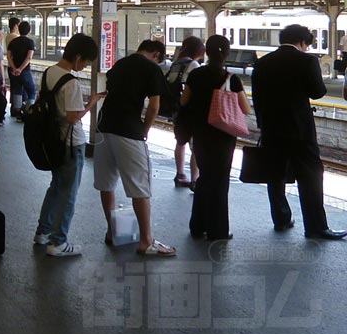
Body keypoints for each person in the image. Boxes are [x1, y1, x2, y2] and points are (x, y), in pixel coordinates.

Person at [251, 24, 345, 239]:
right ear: (303, 42)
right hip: (299, 130)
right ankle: (316, 227)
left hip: (271, 128)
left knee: (275, 175)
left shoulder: (263, 63)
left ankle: (282, 219)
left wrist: (262, 124)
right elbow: (318, 92)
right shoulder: (307, 61)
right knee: (311, 176)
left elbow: (257, 97)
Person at [94, 39, 176, 257]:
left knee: (107, 183)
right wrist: (145, 130)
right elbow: (154, 106)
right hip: (129, 132)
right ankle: (146, 240)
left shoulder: (119, 64)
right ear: (156, 54)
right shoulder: (151, 68)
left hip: (104, 129)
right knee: (140, 187)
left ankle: (112, 232)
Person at [33, 33, 102, 257]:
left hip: (53, 140)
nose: (85, 66)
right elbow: (73, 117)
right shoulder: (70, 81)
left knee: (55, 187)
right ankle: (58, 242)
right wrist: (91, 103)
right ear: (78, 56)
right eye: (86, 62)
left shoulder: (49, 73)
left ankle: (43, 233)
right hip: (71, 144)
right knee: (68, 193)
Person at [179, 35, 252, 241]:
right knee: (219, 181)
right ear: (227, 53)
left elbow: (184, 102)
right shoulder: (230, 78)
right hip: (223, 135)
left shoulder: (196, 75)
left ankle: (197, 225)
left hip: (200, 133)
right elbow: (245, 110)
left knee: (204, 177)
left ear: (207, 52)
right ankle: (217, 230)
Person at [167, 35, 205, 189]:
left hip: (177, 110)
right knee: (195, 145)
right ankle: (195, 179)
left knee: (180, 141)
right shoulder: (194, 65)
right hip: (191, 110)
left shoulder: (175, 64)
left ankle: (180, 174)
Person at [7, 20, 36, 120]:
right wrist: (20, 69)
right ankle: (29, 112)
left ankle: (18, 112)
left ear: (19, 30)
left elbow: (9, 57)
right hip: (25, 71)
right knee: (32, 91)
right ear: (29, 31)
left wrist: (15, 68)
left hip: (14, 71)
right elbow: (29, 58)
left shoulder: (13, 42)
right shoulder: (30, 42)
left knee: (17, 90)